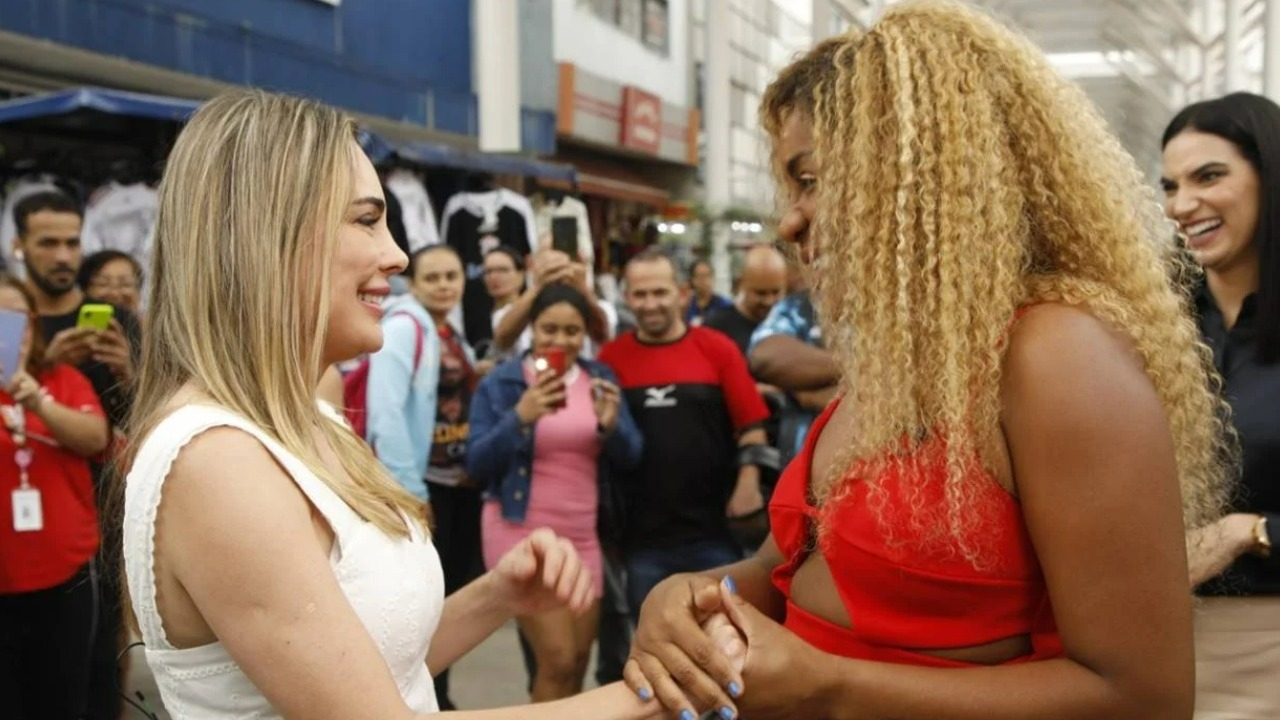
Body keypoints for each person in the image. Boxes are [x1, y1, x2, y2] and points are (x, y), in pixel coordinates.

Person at [621, 4, 1232, 720]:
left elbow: (1145, 698)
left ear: (924, 175)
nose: (790, 220)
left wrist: (829, 685)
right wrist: (690, 595)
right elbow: (784, 567)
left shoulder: (1055, 355)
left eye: (812, 179)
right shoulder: (910, 364)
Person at [116, 89, 674, 720]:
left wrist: (496, 595)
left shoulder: (311, 408)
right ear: (268, 235)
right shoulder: (217, 461)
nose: (398, 254)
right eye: (365, 220)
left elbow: (373, 672)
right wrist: (654, 697)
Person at [1161, 91, 1280, 718]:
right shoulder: (1151, 324)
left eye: (1208, 177)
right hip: (1145, 644)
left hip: (1267, 644)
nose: (1182, 204)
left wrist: (1250, 532)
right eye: (1171, 185)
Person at [467, 283, 643, 701]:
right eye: (549, 329)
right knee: (558, 659)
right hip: (521, 532)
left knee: (578, 661)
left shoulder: (599, 378)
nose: (560, 340)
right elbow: (476, 464)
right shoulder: (503, 383)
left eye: (572, 330)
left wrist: (610, 426)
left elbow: (632, 455)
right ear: (532, 329)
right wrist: (521, 417)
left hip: (582, 536)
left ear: (585, 333)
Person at [12, 189, 141, 720]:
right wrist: (51, 369)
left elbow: (149, 413)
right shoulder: (13, 321)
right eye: (49, 243)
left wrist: (128, 373)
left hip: (107, 502)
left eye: (72, 242)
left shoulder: (117, 320)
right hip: (29, 510)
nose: (64, 256)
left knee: (101, 653)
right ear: (20, 246)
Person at [598, 248, 771, 623]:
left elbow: (752, 426)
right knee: (653, 642)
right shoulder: (610, 359)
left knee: (723, 641)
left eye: (659, 292)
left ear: (682, 294)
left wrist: (748, 484)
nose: (650, 304)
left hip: (714, 534)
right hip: (641, 540)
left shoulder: (717, 349)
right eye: (640, 294)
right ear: (627, 298)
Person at [0, 275, 111, 720]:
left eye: (16, 319)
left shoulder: (62, 380)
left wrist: (39, 403)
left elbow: (96, 438)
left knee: (62, 700)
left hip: (65, 576)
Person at [703, 244, 788, 357]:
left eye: (775, 292)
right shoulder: (716, 327)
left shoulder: (791, 326)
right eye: (760, 293)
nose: (769, 301)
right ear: (741, 284)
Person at [79, 249, 144, 316]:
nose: (114, 294)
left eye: (125, 284)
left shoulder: (148, 322)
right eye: (103, 284)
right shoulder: (73, 322)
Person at [685, 259, 731, 327]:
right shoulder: (687, 306)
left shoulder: (725, 306)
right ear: (692, 280)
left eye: (707, 275)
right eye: (700, 276)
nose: (704, 280)